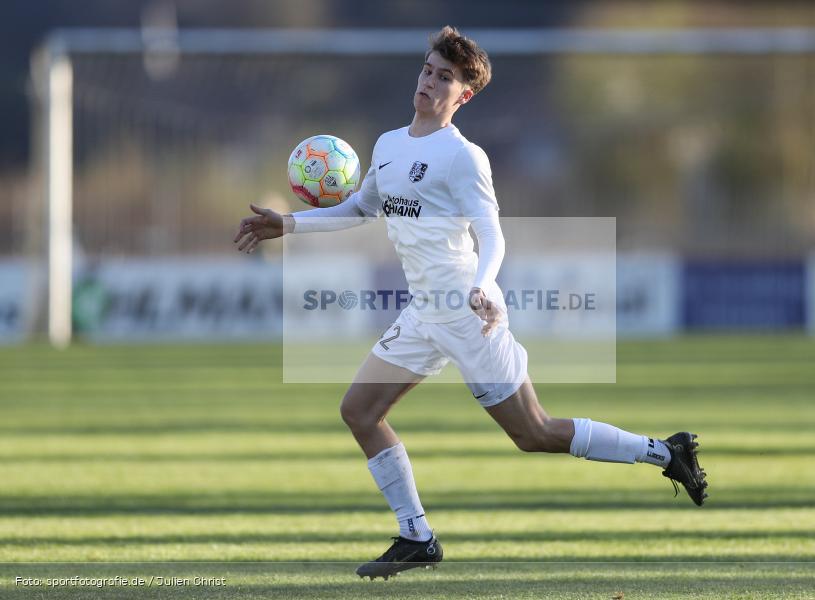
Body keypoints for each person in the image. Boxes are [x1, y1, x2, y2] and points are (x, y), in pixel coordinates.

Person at [234, 26, 707, 580]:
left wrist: (484, 286)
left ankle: (664, 451)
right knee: (358, 411)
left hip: (468, 313)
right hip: (422, 314)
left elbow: (493, 234)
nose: (430, 83)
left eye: (445, 78)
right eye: (428, 70)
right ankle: (417, 536)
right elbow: (360, 210)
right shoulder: (387, 146)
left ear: (465, 95)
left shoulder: (463, 157)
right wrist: (287, 224)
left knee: (534, 433)